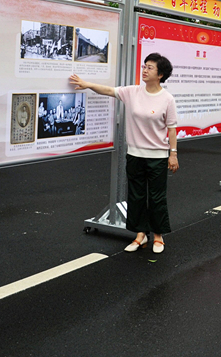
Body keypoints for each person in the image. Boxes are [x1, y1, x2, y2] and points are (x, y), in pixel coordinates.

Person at [69, 53, 179, 254]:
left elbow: (171, 129)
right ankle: (140, 235)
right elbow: (108, 90)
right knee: (136, 196)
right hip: (135, 154)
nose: (144, 70)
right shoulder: (132, 92)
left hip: (157, 157)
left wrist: (173, 154)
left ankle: (158, 236)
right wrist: (87, 84)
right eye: (144, 66)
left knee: (156, 197)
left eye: (150, 68)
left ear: (160, 75)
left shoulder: (167, 99)